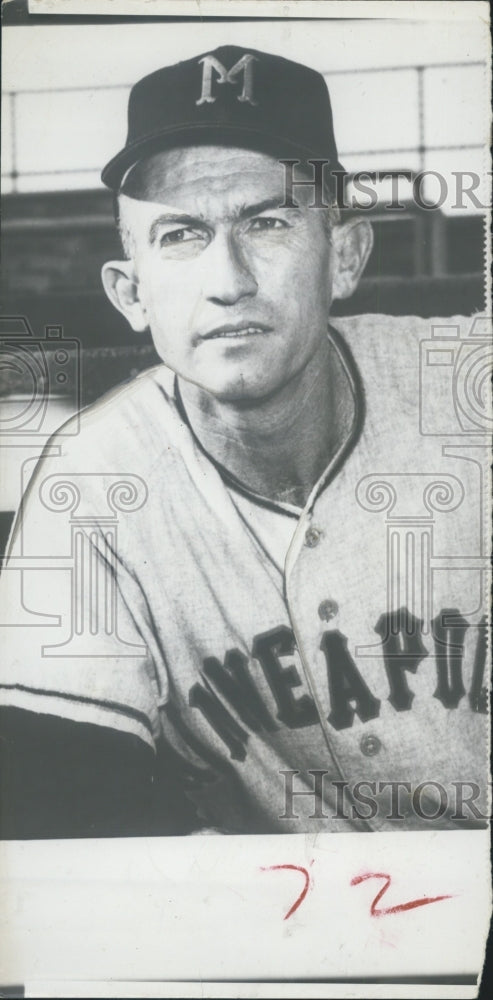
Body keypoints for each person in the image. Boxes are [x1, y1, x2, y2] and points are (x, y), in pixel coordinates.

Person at [0, 46, 488, 838]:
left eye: (267, 222)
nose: (227, 278)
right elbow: (69, 803)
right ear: (130, 293)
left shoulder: (472, 393)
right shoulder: (89, 483)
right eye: (181, 234)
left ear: (346, 256)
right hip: (276, 940)